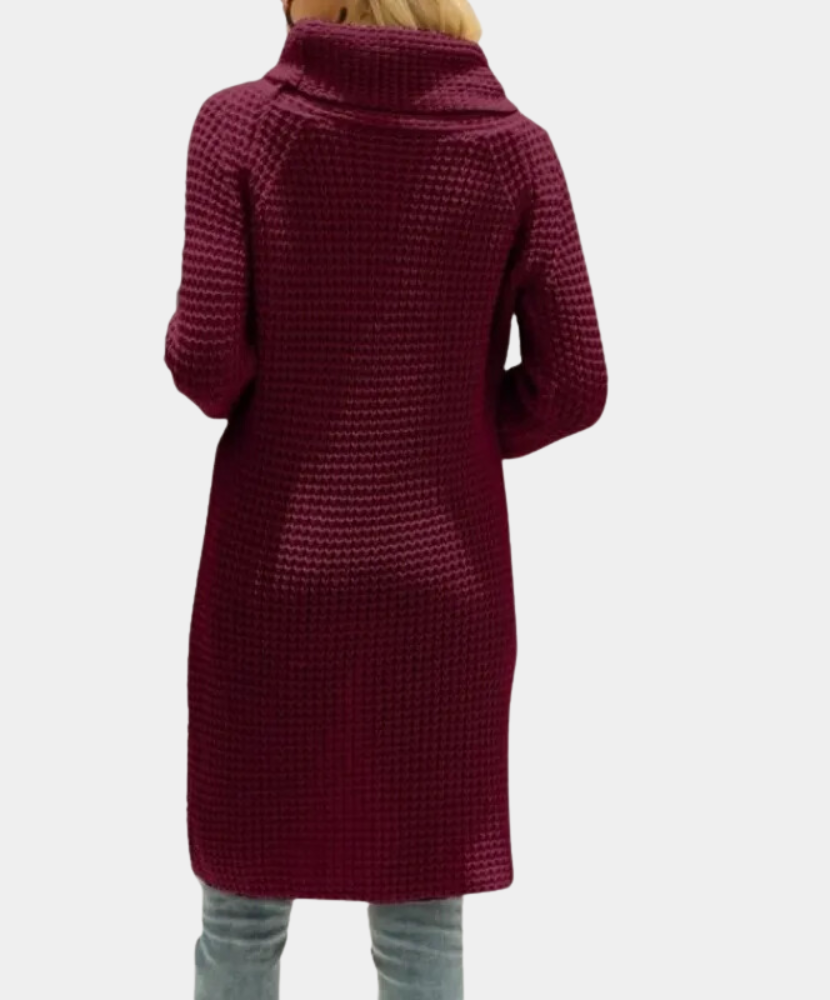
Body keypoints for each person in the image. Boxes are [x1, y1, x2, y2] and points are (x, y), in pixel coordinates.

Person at [164, 1, 608, 996]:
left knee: (240, 918)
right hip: (442, 588)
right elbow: (576, 381)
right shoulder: (515, 150)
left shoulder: (238, 127)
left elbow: (206, 364)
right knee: (420, 934)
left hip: (274, 571)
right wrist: (455, 434)